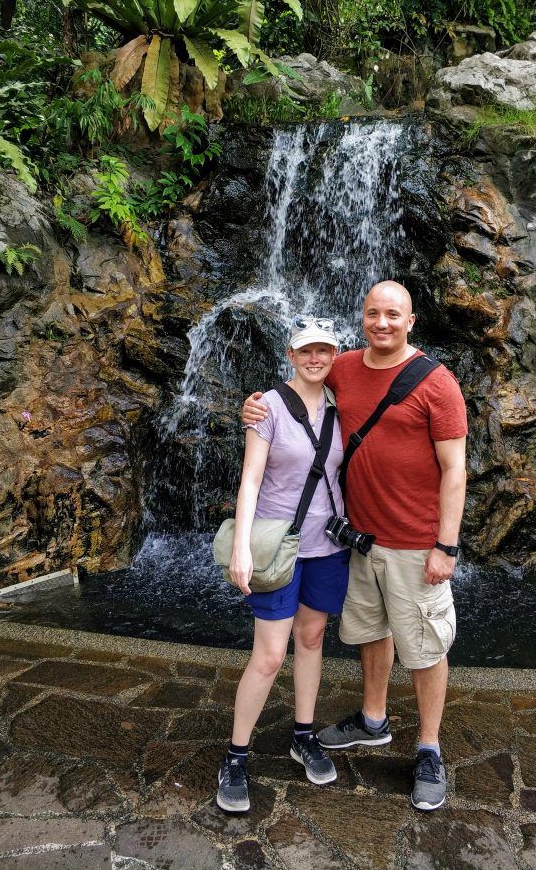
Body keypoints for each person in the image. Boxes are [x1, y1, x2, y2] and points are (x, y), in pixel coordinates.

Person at [243, 281, 467, 811]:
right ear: (361, 320)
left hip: (417, 540)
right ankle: (373, 720)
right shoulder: (343, 368)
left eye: (393, 314)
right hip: (357, 537)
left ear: (411, 321)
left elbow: (455, 469)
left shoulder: (438, 384)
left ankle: (430, 748)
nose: (382, 323)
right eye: (373, 314)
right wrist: (253, 407)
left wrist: (447, 547)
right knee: (372, 630)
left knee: (426, 648)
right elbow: (299, 387)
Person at [216, 316, 350, 813]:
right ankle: (236, 755)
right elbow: (250, 479)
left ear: (335, 355)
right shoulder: (267, 406)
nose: (315, 359)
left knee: (312, 638)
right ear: (291, 355)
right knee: (270, 655)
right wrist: (241, 547)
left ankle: (303, 734)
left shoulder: (341, 405)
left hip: (327, 546)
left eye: (324, 351)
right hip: (278, 546)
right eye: (306, 351)